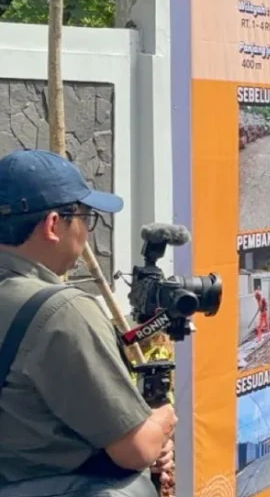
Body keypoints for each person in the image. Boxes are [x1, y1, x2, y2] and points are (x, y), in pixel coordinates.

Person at [0, 149, 176, 496]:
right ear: (53, 225)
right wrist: (164, 418)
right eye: (85, 216)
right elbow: (136, 449)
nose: (87, 232)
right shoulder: (60, 312)